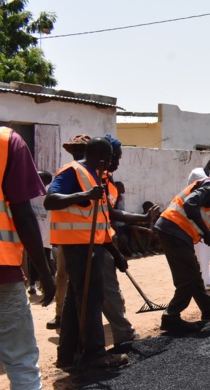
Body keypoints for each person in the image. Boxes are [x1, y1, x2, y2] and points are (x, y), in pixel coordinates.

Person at [0, 127, 81, 390]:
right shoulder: (6, 142)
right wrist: (45, 273)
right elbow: (22, 211)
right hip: (1, 272)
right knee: (21, 364)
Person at [45, 137, 130, 370]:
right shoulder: (72, 171)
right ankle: (95, 354)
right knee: (91, 301)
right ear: (102, 157)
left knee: (76, 302)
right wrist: (83, 195)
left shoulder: (94, 176)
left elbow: (103, 218)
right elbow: (50, 200)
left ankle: (67, 355)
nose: (112, 163)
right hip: (78, 248)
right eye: (111, 158)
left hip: (90, 246)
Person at [154, 169, 210, 332]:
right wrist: (205, 232)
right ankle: (170, 317)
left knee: (194, 274)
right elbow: (190, 204)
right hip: (173, 228)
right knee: (188, 276)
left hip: (179, 233)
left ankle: (209, 310)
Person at [101, 134, 159, 347]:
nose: (118, 162)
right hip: (96, 243)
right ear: (105, 157)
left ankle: (71, 349)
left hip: (103, 239)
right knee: (110, 291)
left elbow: (110, 214)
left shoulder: (106, 182)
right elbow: (107, 215)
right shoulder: (96, 180)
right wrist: (115, 251)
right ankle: (124, 335)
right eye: (116, 157)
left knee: (80, 296)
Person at [47, 136, 88, 331]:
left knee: (101, 277)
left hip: (93, 236)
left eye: (82, 149)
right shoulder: (68, 173)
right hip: (69, 236)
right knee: (62, 275)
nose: (78, 153)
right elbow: (52, 200)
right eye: (75, 149)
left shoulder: (95, 174)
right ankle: (60, 315)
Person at [187, 158, 210, 291]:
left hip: (203, 215)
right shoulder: (197, 173)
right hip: (194, 215)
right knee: (199, 249)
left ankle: (207, 278)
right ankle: (201, 280)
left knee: (206, 249)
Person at [28, 171, 54, 296]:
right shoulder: (30, 192)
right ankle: (32, 284)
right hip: (33, 231)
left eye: (39, 177)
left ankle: (46, 282)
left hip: (46, 232)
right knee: (33, 258)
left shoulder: (50, 194)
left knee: (46, 258)